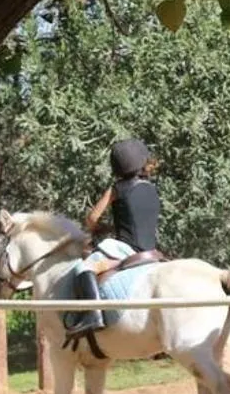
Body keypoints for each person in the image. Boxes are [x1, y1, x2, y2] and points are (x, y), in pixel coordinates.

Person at [62, 138, 164, 338]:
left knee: (84, 268)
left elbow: (91, 219)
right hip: (150, 251)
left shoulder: (117, 188)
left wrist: (103, 227)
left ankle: (94, 316)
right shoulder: (151, 188)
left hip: (126, 249)